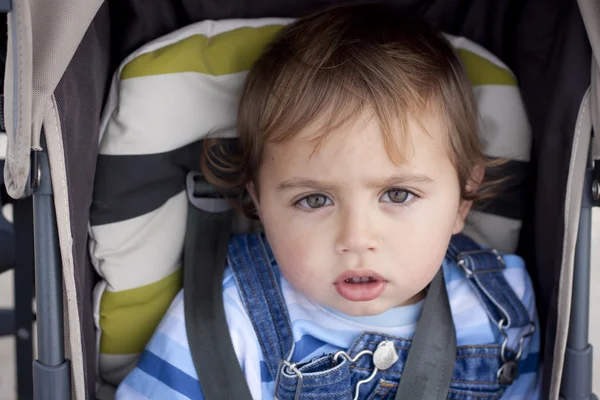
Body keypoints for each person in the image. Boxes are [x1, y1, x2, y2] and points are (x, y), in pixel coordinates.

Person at [116, 3, 540, 399]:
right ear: (259, 204)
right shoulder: (227, 322)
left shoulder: (501, 307)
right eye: (314, 199)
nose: (356, 238)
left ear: (463, 201)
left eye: (398, 194)